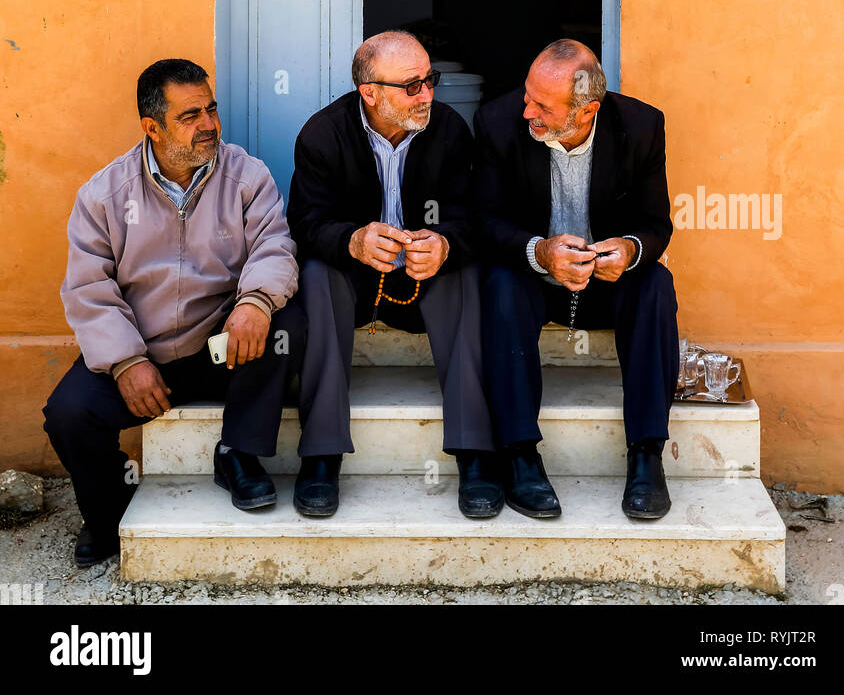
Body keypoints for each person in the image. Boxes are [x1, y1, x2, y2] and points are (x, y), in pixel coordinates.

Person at [43, 59, 305, 567]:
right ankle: (107, 512)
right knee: (68, 414)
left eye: (211, 109)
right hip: (146, 356)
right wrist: (124, 362)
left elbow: (276, 246)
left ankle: (239, 453)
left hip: (224, 349)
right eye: (190, 115)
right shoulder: (105, 194)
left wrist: (254, 302)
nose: (209, 124)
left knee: (287, 324)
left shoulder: (246, 175)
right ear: (152, 127)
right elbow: (88, 286)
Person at [288, 30, 501, 520]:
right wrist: (352, 241)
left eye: (431, 80)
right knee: (318, 272)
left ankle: (474, 452)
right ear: (370, 92)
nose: (427, 94)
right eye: (412, 86)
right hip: (357, 282)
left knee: (463, 272)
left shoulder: (449, 130)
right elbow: (304, 223)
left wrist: (445, 241)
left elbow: (476, 217)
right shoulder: (322, 135)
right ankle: (321, 453)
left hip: (425, 282)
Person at [475, 39, 679, 521]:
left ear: (587, 110)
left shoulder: (641, 126)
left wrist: (628, 250)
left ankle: (647, 455)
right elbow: (483, 220)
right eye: (527, 95)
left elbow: (656, 224)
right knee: (500, 286)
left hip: (605, 281)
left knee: (655, 286)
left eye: (542, 105)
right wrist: (540, 251)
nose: (527, 110)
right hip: (533, 276)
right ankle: (520, 454)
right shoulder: (498, 122)